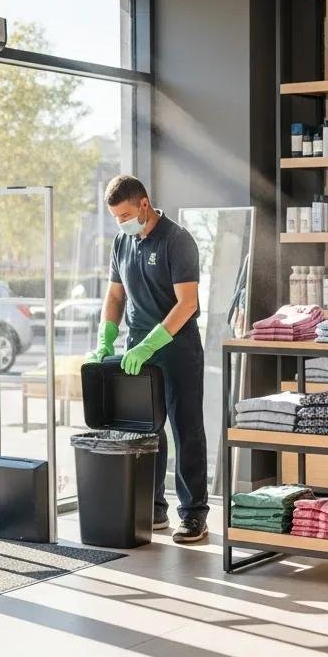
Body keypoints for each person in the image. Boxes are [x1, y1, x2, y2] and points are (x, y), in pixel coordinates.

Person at [87, 175, 209, 544]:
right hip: (138, 352)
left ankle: (193, 515)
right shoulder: (122, 242)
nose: (121, 223)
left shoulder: (177, 240)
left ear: (144, 204)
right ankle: (152, 509)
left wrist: (153, 342)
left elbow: (187, 303)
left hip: (176, 349)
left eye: (125, 214)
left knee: (186, 430)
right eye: (115, 217)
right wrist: (106, 336)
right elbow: (114, 296)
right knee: (145, 432)